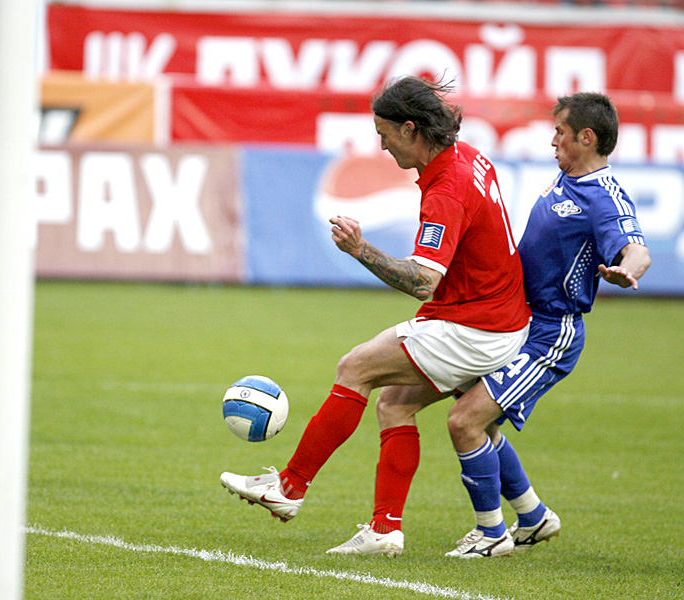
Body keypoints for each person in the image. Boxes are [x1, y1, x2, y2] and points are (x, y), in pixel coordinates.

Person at [219, 75, 531, 557]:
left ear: (410, 128)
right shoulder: (469, 157)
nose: (382, 146)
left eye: (385, 134)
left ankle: (289, 487)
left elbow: (423, 281)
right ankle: (385, 529)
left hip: (474, 325)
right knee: (394, 405)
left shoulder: (447, 189)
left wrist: (360, 250)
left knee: (355, 367)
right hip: (496, 317)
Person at [375, 91, 651, 559]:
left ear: (587, 137)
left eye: (561, 132)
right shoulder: (567, 178)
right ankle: (533, 516)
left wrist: (628, 270)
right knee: (476, 419)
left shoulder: (604, 195)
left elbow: (635, 246)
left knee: (466, 421)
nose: (553, 140)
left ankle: (491, 534)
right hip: (514, 319)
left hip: (550, 333)